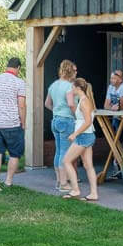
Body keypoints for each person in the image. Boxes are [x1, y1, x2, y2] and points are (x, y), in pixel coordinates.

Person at [0, 57, 27, 193]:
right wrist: (23, 122)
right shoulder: (19, 82)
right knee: (14, 153)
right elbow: (21, 106)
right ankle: (8, 181)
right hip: (12, 124)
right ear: (18, 68)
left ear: (7, 66)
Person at [62, 78, 99, 201]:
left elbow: (88, 122)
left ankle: (75, 190)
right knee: (88, 165)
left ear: (78, 88)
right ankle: (93, 194)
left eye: (73, 87)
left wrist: (75, 134)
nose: (71, 90)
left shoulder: (84, 102)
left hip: (83, 136)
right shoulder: (83, 100)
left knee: (66, 161)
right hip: (86, 136)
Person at [45, 59, 78, 191]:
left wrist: (57, 111)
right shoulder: (69, 86)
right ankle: (64, 184)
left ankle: (59, 181)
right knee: (65, 152)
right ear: (70, 71)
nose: (76, 73)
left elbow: (47, 104)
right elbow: (71, 104)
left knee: (59, 151)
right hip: (66, 121)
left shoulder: (53, 85)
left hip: (55, 121)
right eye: (74, 70)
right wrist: (77, 115)